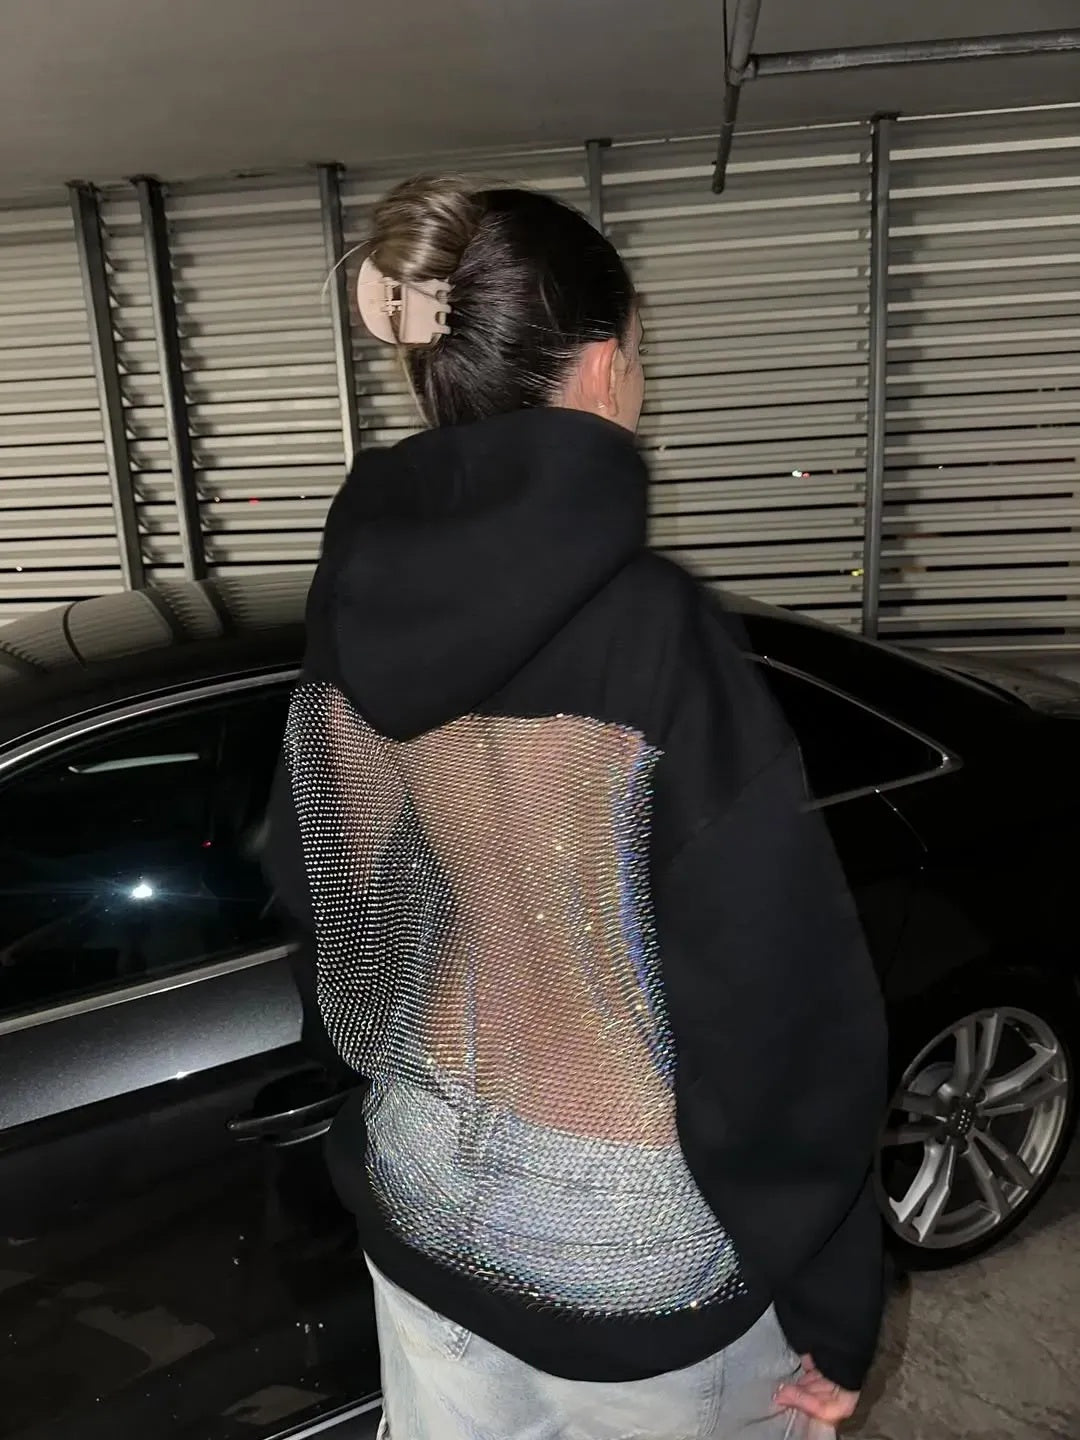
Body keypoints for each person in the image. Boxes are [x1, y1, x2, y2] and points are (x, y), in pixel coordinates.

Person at [264, 176, 887, 1440]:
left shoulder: (346, 606)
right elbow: (775, 1008)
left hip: (420, 1175)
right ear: (604, 368)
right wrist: (836, 1301)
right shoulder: (656, 628)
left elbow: (321, 881)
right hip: (631, 1245)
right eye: (642, 354)